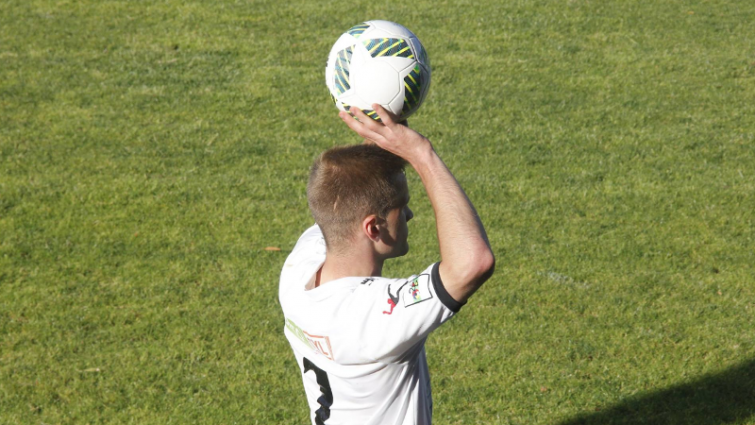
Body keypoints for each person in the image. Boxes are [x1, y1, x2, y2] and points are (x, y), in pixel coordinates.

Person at [279, 104, 495, 425]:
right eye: (401, 206)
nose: (409, 215)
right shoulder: (372, 319)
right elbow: (473, 262)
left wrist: (386, 127)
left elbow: (346, 193)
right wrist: (422, 154)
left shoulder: (298, 271)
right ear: (373, 228)